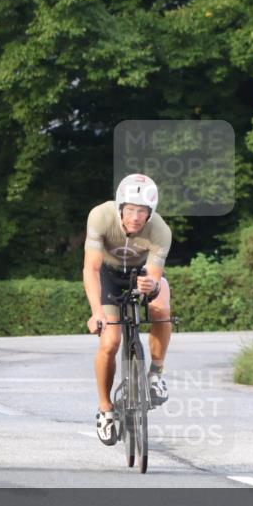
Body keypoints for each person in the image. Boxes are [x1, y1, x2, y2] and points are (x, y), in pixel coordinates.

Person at [83, 173, 172, 446]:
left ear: (150, 213)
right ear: (120, 206)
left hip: (141, 275)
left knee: (161, 308)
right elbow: (92, 268)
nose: (135, 216)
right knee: (110, 341)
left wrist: (151, 285)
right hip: (110, 275)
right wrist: (97, 311)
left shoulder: (160, 231)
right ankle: (105, 409)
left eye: (142, 211)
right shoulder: (100, 217)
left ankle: (155, 373)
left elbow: (155, 276)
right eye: (131, 209)